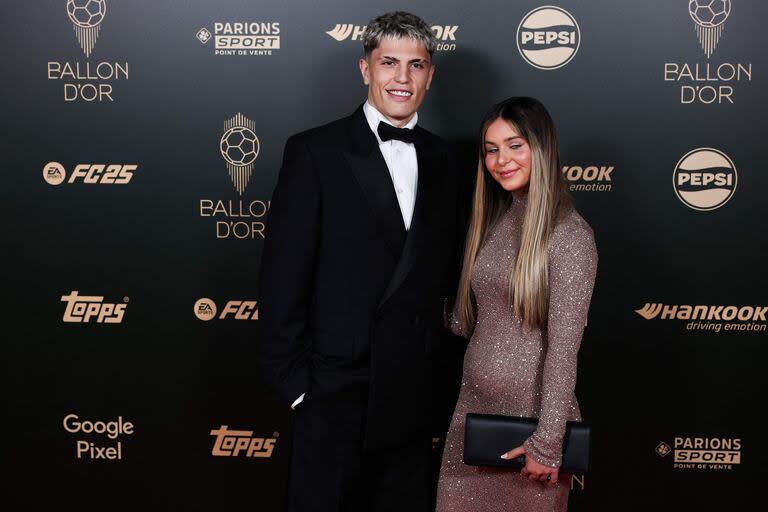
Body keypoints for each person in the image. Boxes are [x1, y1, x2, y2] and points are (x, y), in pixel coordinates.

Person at [256, 11, 464, 512]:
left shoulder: (450, 160)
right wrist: (299, 390)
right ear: (364, 68)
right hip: (332, 396)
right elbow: (282, 278)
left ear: (431, 75)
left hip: (411, 398)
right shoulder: (314, 152)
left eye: (416, 65)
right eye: (388, 62)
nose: (402, 78)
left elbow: (451, 276)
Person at [435, 97, 598, 512]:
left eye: (514, 145)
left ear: (541, 148)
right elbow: (475, 321)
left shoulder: (570, 237)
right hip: (471, 415)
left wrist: (546, 442)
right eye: (491, 149)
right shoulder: (495, 219)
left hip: (531, 426)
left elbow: (564, 352)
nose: (501, 159)